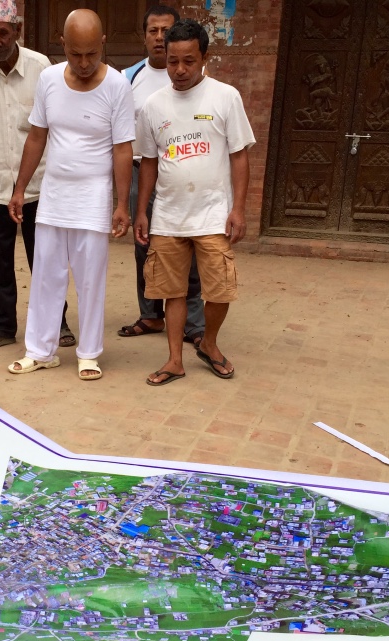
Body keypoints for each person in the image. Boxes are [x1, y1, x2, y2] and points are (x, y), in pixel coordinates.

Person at [6, 9, 134, 381]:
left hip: (93, 199)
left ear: (103, 44)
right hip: (54, 195)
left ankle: (89, 353)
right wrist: (19, 188)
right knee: (46, 275)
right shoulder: (48, 79)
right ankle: (40, 351)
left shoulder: (117, 86)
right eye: (75, 53)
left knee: (91, 279)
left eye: (91, 54)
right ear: (63, 45)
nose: (83, 62)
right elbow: (37, 136)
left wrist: (122, 204)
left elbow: (122, 148)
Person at [134, 19, 253, 385]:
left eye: (189, 61)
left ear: (204, 57)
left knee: (221, 289)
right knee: (172, 291)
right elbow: (149, 162)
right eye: (173, 61)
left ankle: (209, 343)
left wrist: (238, 209)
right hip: (168, 215)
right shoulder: (153, 105)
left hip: (213, 214)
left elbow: (239, 156)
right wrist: (141, 211)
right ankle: (174, 360)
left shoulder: (226, 97)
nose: (180, 70)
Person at [0, 0, 73, 353]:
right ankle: (1, 327)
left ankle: (56, 323)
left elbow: (52, 125)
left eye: (3, 33)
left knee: (44, 259)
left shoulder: (41, 68)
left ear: (18, 31)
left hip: (38, 184)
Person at [118, 4, 206, 348]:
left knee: (190, 246)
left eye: (166, 31)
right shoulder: (128, 78)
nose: (159, 37)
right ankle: (151, 314)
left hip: (184, 175)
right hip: (142, 171)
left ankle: (194, 325)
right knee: (144, 246)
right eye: (152, 31)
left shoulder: (194, 75)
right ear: (144, 37)